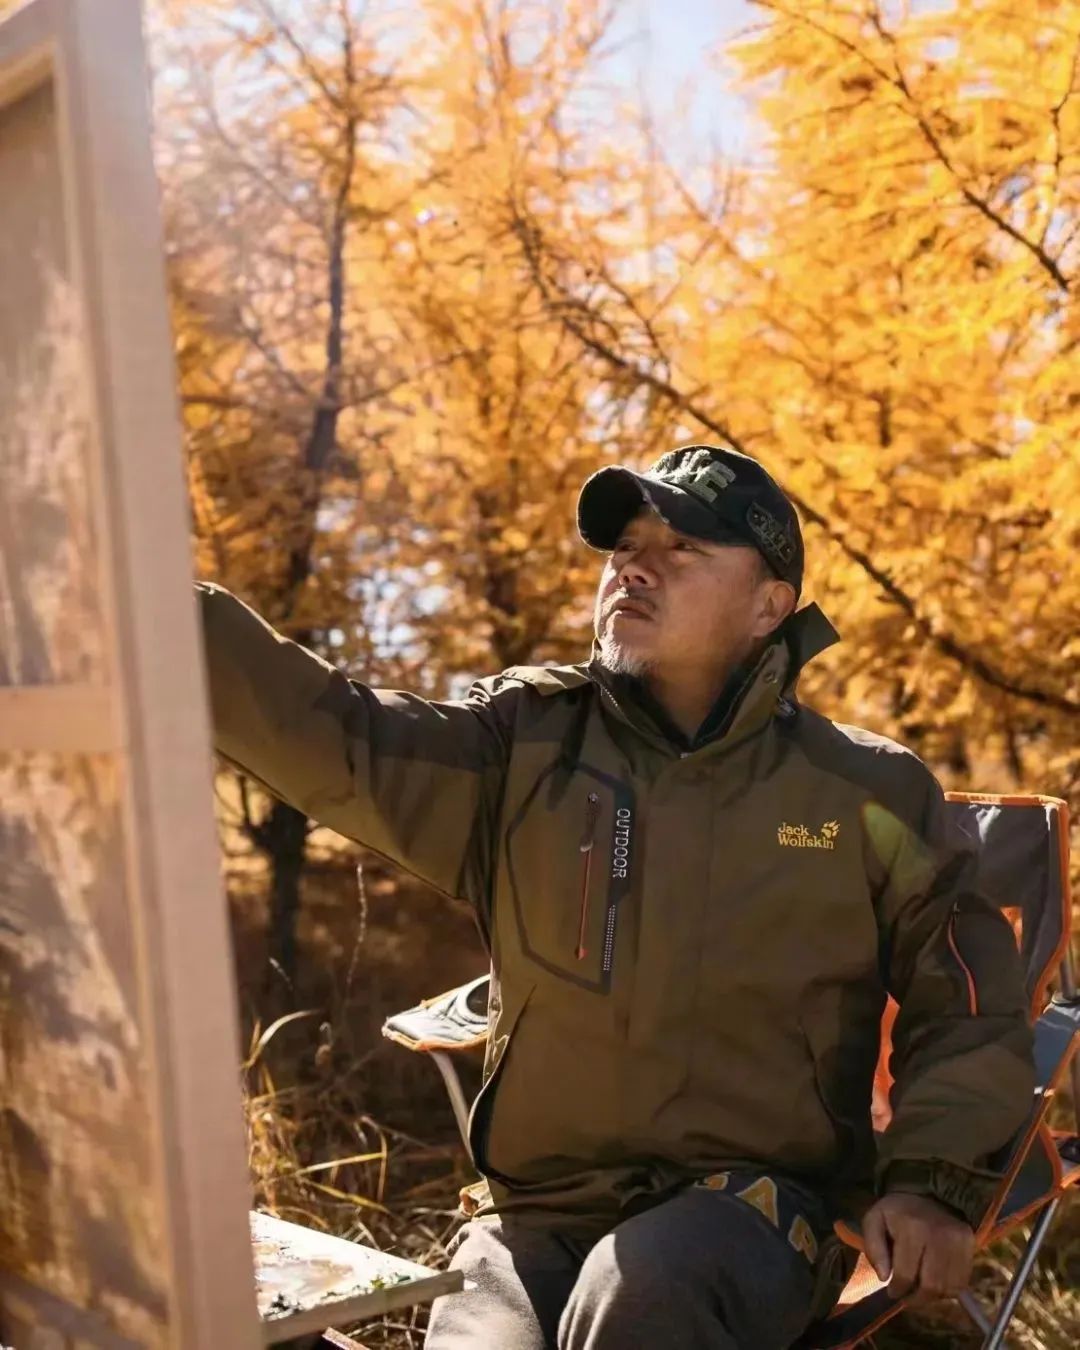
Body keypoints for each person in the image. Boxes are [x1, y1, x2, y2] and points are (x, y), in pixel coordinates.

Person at [197, 444, 1034, 1350]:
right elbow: (341, 738)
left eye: (684, 550)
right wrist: (159, 600)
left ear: (770, 606)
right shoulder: (522, 751)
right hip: (533, 1218)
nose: (635, 566)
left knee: (637, 1296)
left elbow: (969, 998)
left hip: (753, 1210)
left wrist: (931, 1182)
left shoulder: (864, 791)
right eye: (626, 546)